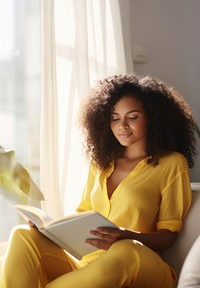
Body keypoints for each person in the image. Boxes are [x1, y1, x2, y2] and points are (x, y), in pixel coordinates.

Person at [0, 73, 198, 288]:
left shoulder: (171, 163)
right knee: (23, 235)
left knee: (125, 248)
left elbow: (168, 236)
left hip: (141, 262)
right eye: (114, 117)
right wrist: (49, 229)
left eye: (132, 117)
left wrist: (125, 235)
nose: (122, 125)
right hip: (92, 264)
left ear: (151, 118)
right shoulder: (101, 163)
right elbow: (83, 215)